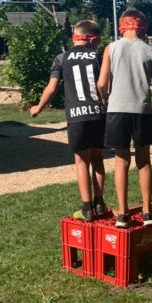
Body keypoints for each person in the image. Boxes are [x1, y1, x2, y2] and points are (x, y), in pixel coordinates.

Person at [96, 8, 152, 229]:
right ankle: (147, 211)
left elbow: (101, 83)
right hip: (142, 110)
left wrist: (105, 98)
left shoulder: (111, 48)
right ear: (143, 27)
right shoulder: (150, 51)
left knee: (121, 162)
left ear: (122, 25)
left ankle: (123, 213)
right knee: (144, 161)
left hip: (117, 110)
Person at [30, 19, 106, 221]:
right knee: (98, 159)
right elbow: (105, 83)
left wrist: (39, 106)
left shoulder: (62, 58)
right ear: (93, 39)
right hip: (99, 114)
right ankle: (100, 203)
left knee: (81, 161)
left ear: (76, 36)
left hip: (76, 116)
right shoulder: (98, 56)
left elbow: (52, 87)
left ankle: (87, 208)